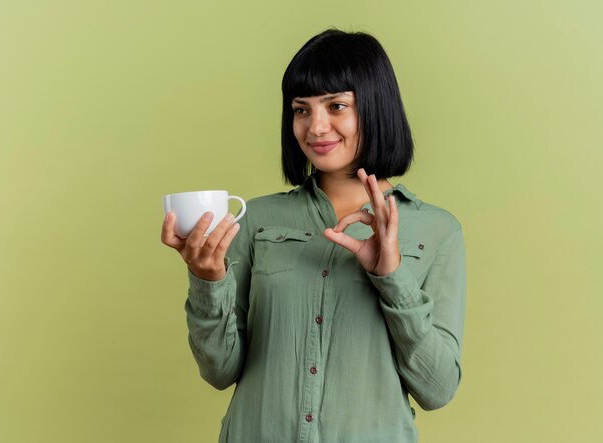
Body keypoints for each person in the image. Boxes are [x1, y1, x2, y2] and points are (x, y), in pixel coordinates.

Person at [161, 29, 466, 443]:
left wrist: (392, 276)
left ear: (376, 109)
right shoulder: (256, 219)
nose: (315, 127)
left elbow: (438, 388)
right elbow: (220, 371)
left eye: (337, 106)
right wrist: (207, 280)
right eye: (301, 110)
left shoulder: (437, 230)